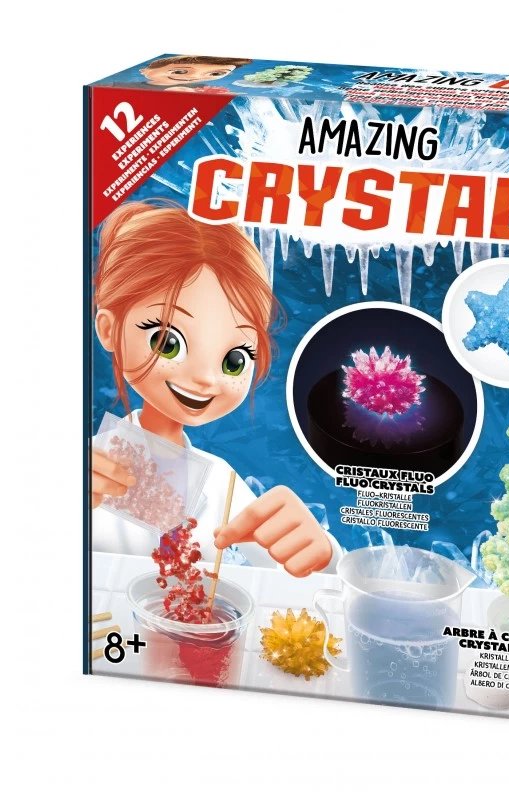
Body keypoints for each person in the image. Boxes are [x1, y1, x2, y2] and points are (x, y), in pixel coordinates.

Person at [92, 201, 339, 576]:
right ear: (109, 330)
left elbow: (289, 581)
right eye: (168, 342)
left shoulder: (222, 481)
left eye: (233, 360)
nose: (207, 378)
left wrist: (321, 556)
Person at [139, 55, 252, 89]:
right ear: (145, 70)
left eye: (216, 74)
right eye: (179, 71)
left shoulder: (203, 89)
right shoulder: (134, 87)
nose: (194, 77)